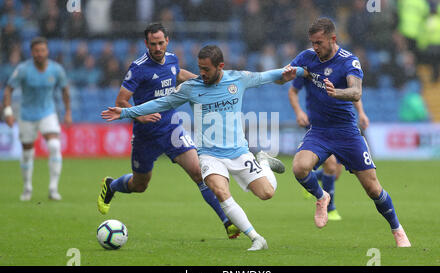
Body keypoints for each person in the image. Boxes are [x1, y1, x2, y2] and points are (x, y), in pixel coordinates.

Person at [101, 45, 305, 250]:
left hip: (238, 151)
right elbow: (160, 103)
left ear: (220, 66)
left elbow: (267, 76)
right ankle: (256, 238)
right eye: (200, 68)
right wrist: (127, 113)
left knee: (266, 193)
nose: (202, 74)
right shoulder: (191, 88)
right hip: (209, 155)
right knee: (220, 191)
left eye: (206, 69)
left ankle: (263, 161)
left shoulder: (237, 79)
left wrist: (298, 71)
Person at [97, 23, 241, 240]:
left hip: (172, 128)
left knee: (199, 173)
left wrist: (200, 82)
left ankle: (227, 221)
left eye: (161, 43)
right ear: (146, 44)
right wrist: (140, 115)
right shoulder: (138, 68)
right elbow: (121, 101)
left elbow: (176, 73)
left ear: (167, 41)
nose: (157, 47)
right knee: (140, 184)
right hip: (145, 134)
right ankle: (112, 185)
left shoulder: (172, 59)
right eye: (153, 44)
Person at [289, 18, 411, 247]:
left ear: (333, 39)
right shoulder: (307, 57)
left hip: (346, 133)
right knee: (299, 167)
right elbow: (286, 76)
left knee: (373, 188)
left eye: (319, 42)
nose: (315, 47)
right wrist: (284, 76)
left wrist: (338, 93)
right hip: (319, 131)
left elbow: (356, 92)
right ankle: (322, 196)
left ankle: (397, 229)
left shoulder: (349, 62)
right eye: (312, 42)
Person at [288, 76, 370, 221]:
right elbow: (292, 91)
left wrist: (361, 112)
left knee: (335, 174)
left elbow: (354, 93)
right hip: (318, 125)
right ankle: (330, 207)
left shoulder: (344, 67)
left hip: (341, 127)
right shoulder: (310, 67)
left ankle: (309, 179)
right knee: (331, 166)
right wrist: (299, 112)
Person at [2, 36, 71, 201]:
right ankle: (27, 187)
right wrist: (8, 112)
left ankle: (53, 189)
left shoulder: (56, 70)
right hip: (26, 115)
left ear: (47, 51)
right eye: (36, 51)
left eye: (42, 50)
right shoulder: (23, 69)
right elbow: (8, 90)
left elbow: (65, 90)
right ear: (32, 53)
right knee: (27, 153)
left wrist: (67, 112)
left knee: (54, 145)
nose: (40, 53)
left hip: (47, 112)